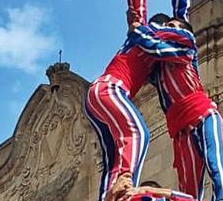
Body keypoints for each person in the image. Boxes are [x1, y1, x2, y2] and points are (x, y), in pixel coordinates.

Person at [85, 16, 198, 201]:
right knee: (137, 133)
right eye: (169, 26)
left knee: (113, 156)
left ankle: (109, 195)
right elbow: (183, 37)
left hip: (96, 97)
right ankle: (126, 180)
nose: (173, 31)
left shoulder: (149, 54)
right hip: (109, 88)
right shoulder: (152, 30)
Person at [150, 18, 223, 201]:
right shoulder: (158, 70)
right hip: (182, 133)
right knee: (189, 190)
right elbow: (140, 52)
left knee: (215, 164)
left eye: (176, 26)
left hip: (204, 115)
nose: (173, 29)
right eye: (169, 25)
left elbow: (148, 40)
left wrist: (147, 30)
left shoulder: (186, 46)